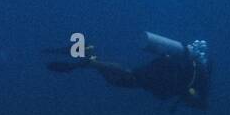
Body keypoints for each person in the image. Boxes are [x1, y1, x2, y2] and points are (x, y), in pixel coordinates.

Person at [45, 33, 211, 110]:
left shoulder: (195, 67)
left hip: (163, 68)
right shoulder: (201, 78)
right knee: (129, 76)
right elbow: (201, 104)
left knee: (121, 81)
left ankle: (91, 58)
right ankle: (91, 62)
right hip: (166, 76)